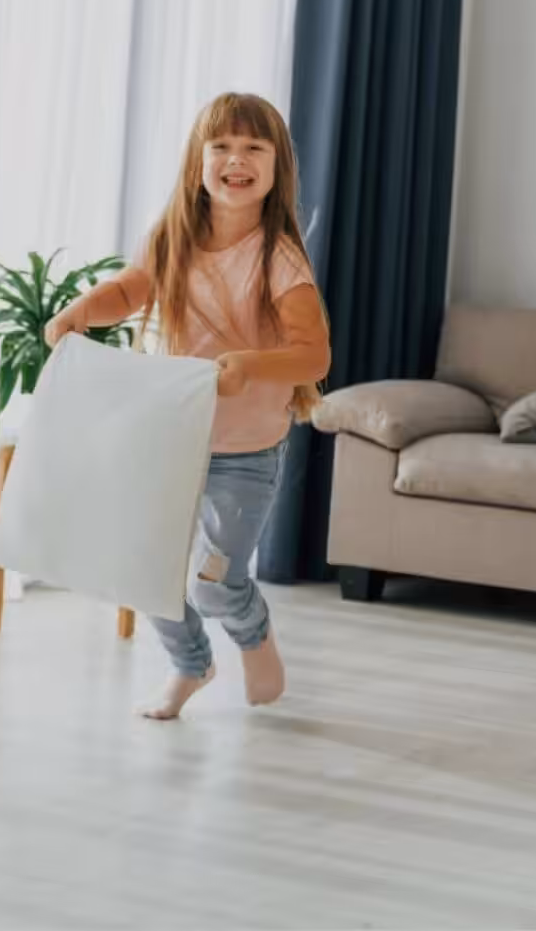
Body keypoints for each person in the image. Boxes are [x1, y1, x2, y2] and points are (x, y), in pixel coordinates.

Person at [45, 91, 331, 721]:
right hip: (170, 438)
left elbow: (313, 356)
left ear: (277, 166)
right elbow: (131, 290)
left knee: (215, 584)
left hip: (244, 450)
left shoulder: (277, 257)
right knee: (145, 569)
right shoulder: (174, 236)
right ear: (198, 162)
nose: (236, 159)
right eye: (221, 146)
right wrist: (81, 311)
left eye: (253, 147)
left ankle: (252, 634)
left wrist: (248, 365)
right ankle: (190, 665)